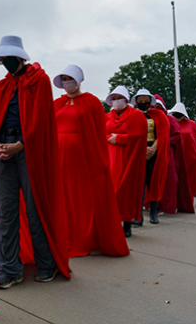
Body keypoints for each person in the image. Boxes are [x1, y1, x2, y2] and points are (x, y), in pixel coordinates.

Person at [0, 35, 71, 289]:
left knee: (36, 208)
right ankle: (9, 268)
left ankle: (46, 263)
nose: (3, 63)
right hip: (5, 151)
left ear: (18, 57)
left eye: (6, 59)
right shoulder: (2, 86)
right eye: (1, 60)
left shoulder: (40, 80)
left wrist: (19, 145)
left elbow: (42, 120)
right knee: (6, 211)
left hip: (29, 151)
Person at [53, 65, 129, 257]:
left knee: (80, 197)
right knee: (62, 196)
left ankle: (84, 236)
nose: (66, 82)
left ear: (78, 80)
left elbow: (98, 132)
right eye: (63, 79)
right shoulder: (56, 103)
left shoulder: (91, 102)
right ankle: (63, 235)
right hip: (59, 155)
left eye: (69, 78)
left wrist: (99, 159)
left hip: (81, 157)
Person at [105, 86, 147, 238]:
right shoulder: (106, 116)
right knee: (110, 191)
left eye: (119, 97)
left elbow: (139, 136)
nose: (116, 101)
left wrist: (120, 138)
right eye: (113, 98)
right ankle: (112, 222)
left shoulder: (136, 116)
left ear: (126, 99)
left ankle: (127, 223)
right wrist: (109, 138)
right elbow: (99, 132)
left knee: (126, 191)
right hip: (110, 157)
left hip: (128, 158)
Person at [131, 89, 169, 225]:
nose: (143, 103)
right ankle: (138, 216)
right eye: (140, 101)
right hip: (138, 153)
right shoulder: (132, 115)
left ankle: (153, 212)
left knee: (153, 182)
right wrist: (143, 149)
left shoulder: (158, 115)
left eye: (145, 101)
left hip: (154, 153)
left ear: (150, 101)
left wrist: (152, 149)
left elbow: (163, 134)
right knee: (138, 184)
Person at [154, 95, 191, 214]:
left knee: (169, 180)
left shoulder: (171, 120)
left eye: (158, 106)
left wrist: (164, 143)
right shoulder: (148, 118)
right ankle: (153, 205)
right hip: (151, 153)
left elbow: (176, 136)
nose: (156, 108)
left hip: (167, 153)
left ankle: (167, 205)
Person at [169, 103, 196, 201]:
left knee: (189, 180)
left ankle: (187, 199)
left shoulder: (192, 124)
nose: (177, 116)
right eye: (175, 113)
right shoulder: (171, 123)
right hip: (175, 155)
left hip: (190, 156)